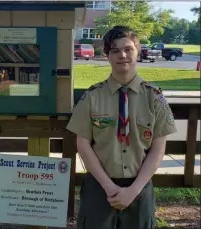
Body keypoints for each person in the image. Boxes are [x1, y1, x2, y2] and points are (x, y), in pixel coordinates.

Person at [66, 26, 177, 229]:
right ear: (107, 56)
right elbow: (82, 144)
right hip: (99, 187)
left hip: (139, 186)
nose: (122, 55)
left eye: (128, 49)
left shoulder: (154, 97)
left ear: (138, 51)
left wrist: (134, 190)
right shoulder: (92, 97)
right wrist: (108, 187)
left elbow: (158, 148)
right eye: (115, 51)